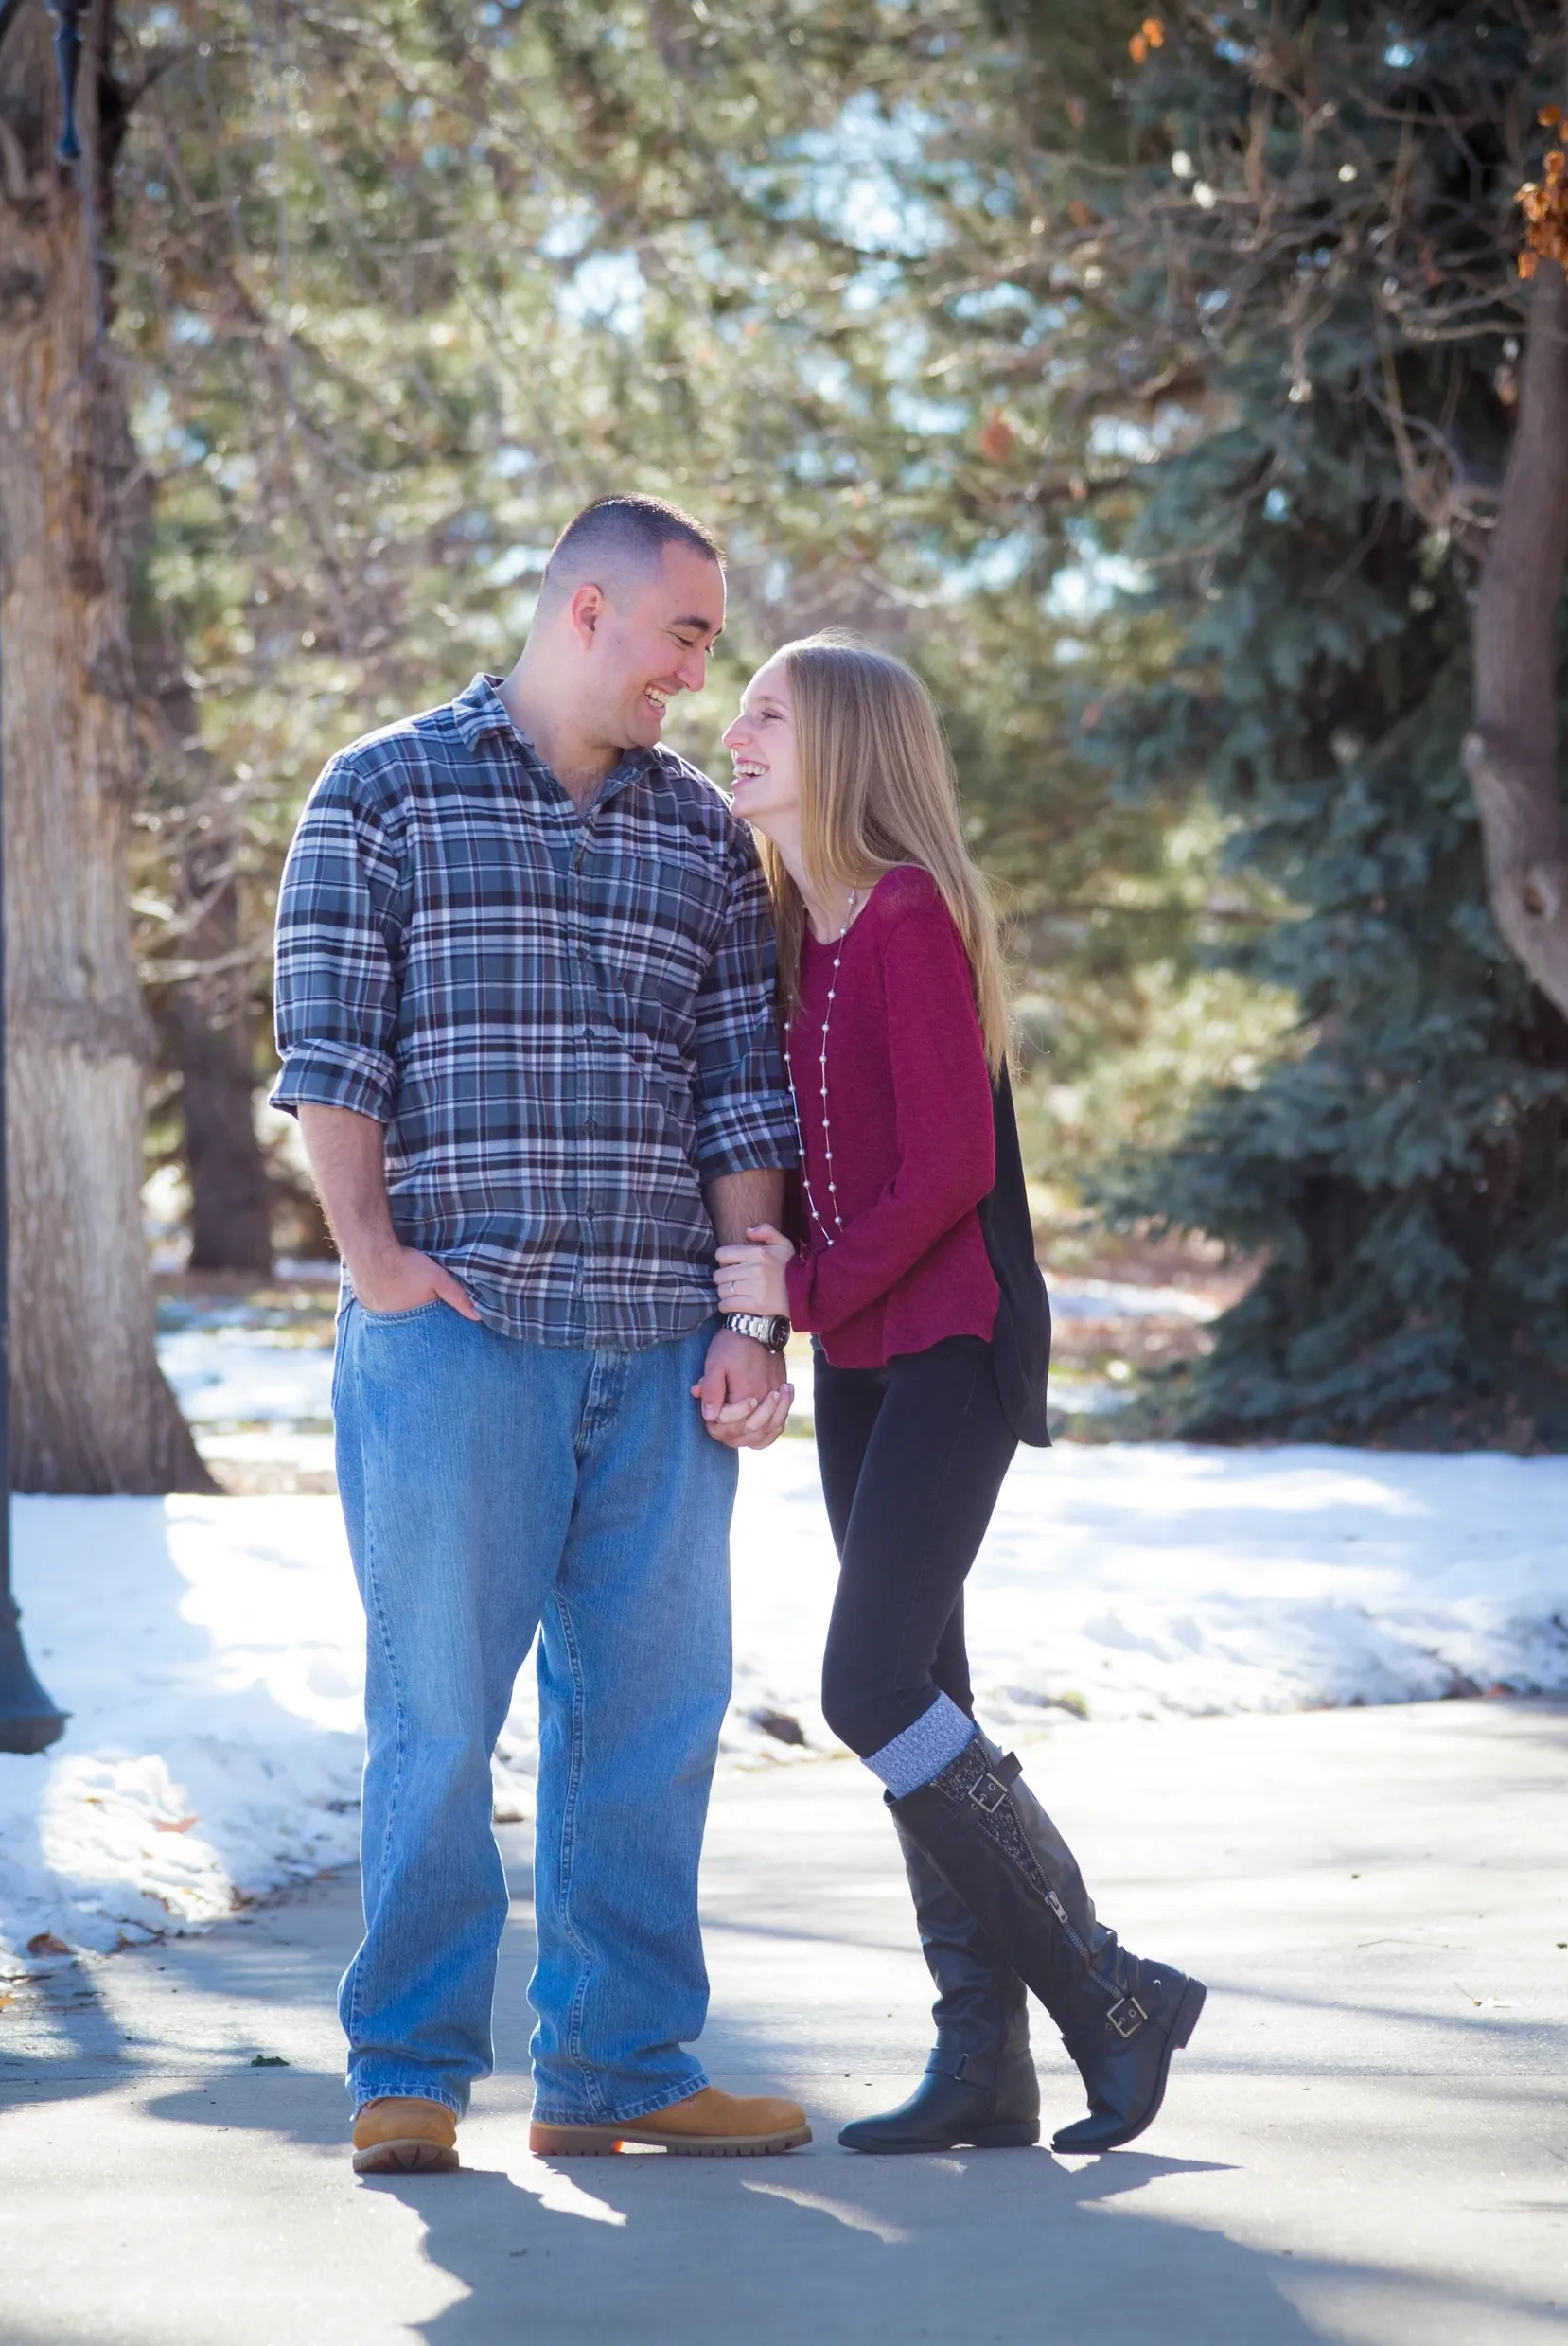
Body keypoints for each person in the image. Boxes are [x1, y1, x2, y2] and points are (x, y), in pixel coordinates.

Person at [272, 494, 812, 2174]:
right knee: (436, 1710)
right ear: (587, 610)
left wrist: (750, 1316)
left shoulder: (701, 841)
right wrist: (370, 1258)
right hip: (458, 1335)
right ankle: (408, 2071)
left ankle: (620, 2068)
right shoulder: (381, 792)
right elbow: (328, 1049)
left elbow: (740, 1088)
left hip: (660, 1350)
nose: (697, 678)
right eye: (685, 637)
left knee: (649, 1723)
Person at [714, 634, 1207, 2156]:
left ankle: (1109, 1995)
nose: (732, 729)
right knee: (931, 1700)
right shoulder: (813, 928)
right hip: (871, 1367)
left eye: (767, 713)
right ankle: (980, 2062)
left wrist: (791, 1294)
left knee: (868, 1691)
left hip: (948, 1354)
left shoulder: (912, 916)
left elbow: (948, 1173)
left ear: (848, 745)